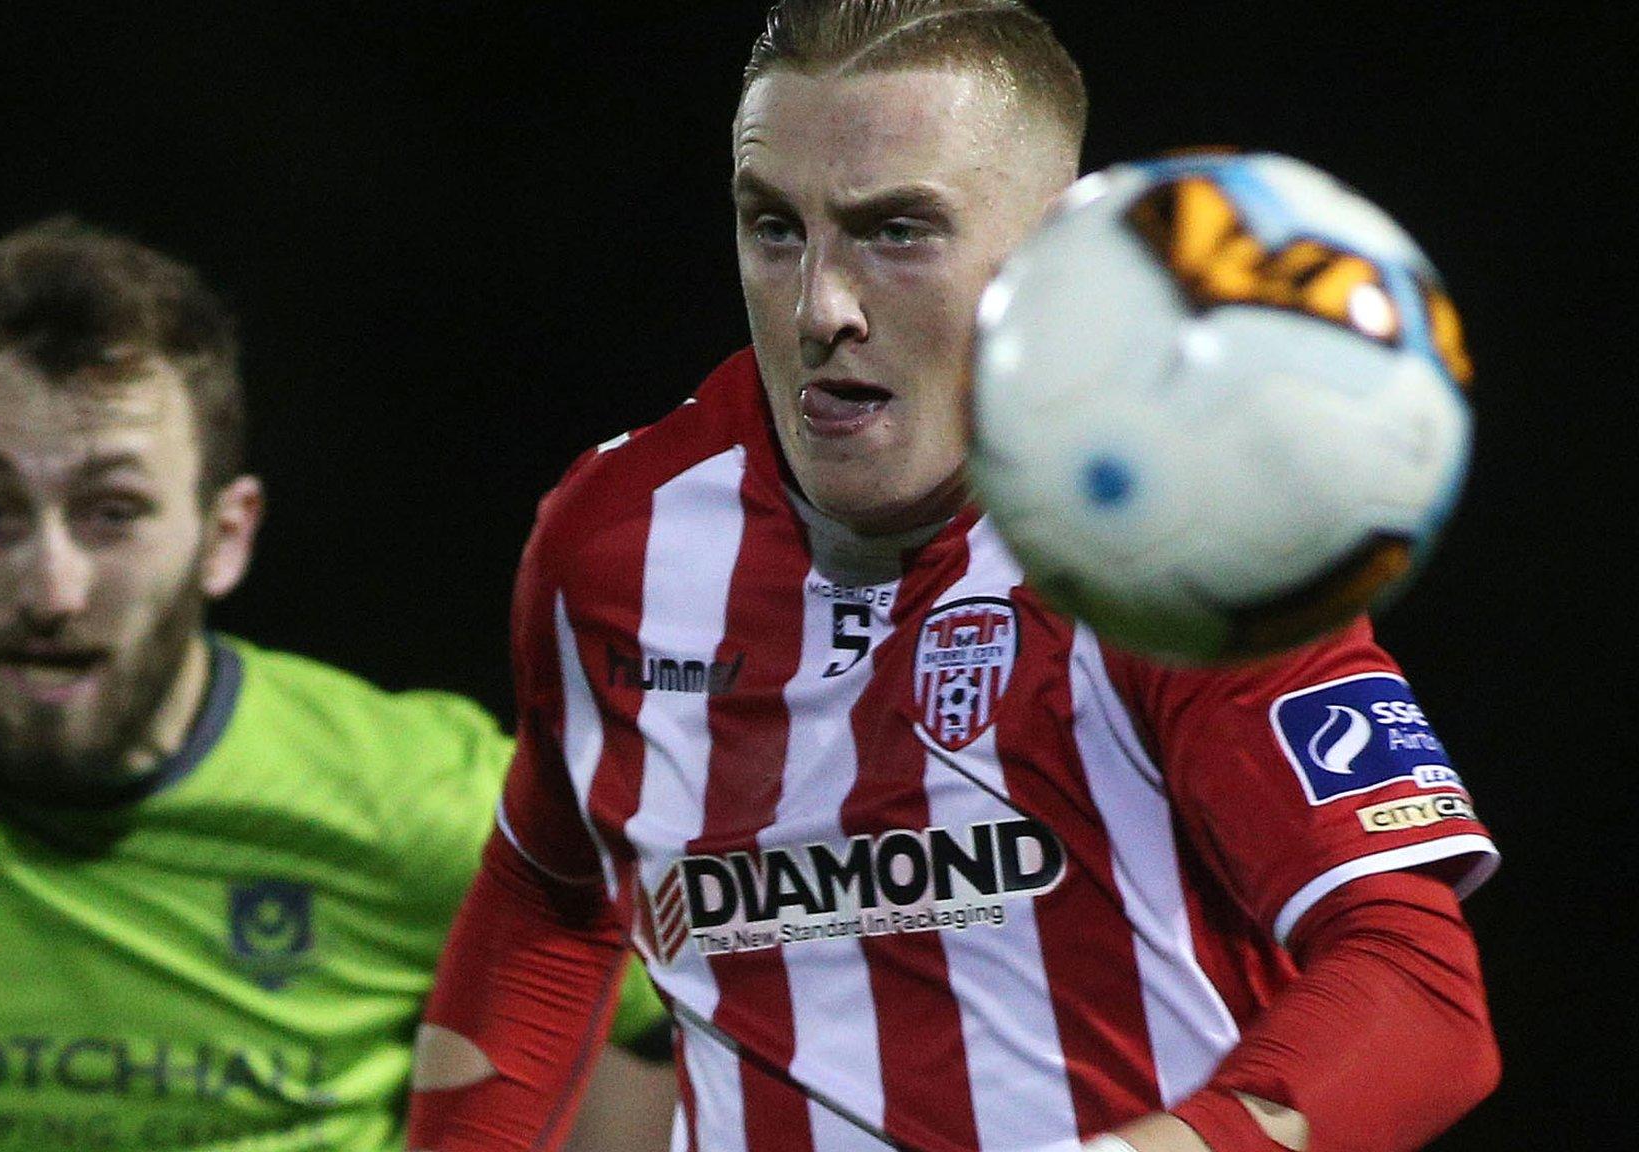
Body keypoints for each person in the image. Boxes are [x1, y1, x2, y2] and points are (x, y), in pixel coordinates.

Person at [407, 3, 1500, 1151]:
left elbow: (1418, 991)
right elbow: (545, 891)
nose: (819, 305)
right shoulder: (614, 543)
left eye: (894, 231)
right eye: (773, 227)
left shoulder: (1175, 539)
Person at [0, 220, 673, 1152]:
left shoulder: (429, 801)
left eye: (111, 513)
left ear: (223, 534)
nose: (49, 587)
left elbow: (681, 1042)